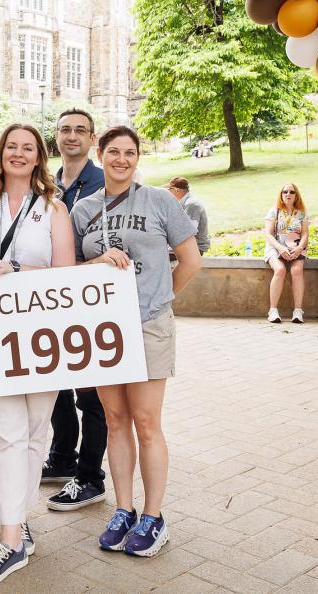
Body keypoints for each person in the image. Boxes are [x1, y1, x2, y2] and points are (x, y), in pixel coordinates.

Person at [71, 125, 201, 558]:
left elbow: (190, 258)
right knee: (114, 419)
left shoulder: (160, 200)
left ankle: (153, 515)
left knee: (146, 421)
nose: (121, 159)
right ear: (100, 154)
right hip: (103, 328)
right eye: (113, 152)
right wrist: (95, 260)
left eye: (129, 153)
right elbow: (71, 268)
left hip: (147, 324)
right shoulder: (83, 208)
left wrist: (160, 300)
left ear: (137, 158)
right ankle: (123, 508)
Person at [0, 123, 75, 586]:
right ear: (0, 154)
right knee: (7, 432)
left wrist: (18, 267)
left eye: (29, 148)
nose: (19, 154)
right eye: (12, 146)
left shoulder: (53, 210)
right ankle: (9, 540)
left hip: (42, 333)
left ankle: (18, 518)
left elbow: (64, 274)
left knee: (33, 432)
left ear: (39, 157)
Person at [43, 108, 108, 511]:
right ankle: (63, 457)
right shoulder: (45, 182)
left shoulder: (104, 182)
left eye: (79, 130)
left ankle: (90, 476)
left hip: (89, 302)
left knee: (91, 394)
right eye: (64, 129)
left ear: (92, 138)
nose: (71, 136)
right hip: (51, 299)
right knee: (55, 384)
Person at [262, 183, 309, 324]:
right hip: (276, 247)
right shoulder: (274, 211)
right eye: (285, 191)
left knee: (296, 270)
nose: (288, 194)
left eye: (292, 192)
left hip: (296, 247)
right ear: (281, 195)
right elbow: (268, 234)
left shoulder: (302, 212)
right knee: (280, 270)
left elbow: (306, 234)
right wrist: (280, 248)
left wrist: (300, 247)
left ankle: (298, 311)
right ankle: (273, 310)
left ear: (296, 195)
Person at [165, 177, 210, 255]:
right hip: (186, 247)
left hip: (194, 248)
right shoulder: (185, 203)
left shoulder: (192, 204)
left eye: (169, 189)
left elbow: (188, 232)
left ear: (177, 190)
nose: (168, 192)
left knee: (155, 257)